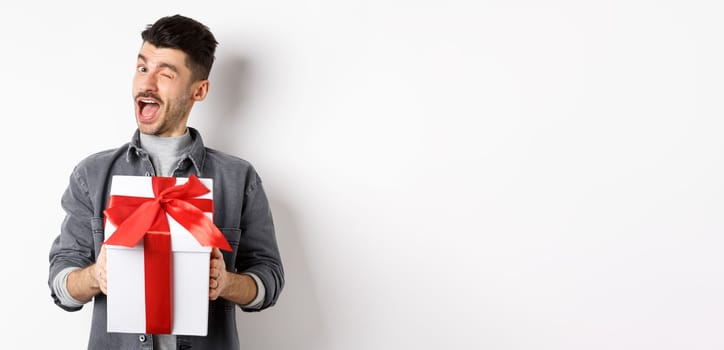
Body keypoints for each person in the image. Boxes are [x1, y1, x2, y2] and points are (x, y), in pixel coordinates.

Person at [48, 14, 284, 349]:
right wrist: (94, 277)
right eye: (143, 68)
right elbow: (61, 284)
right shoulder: (92, 175)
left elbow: (270, 281)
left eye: (166, 73)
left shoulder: (239, 177)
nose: (147, 84)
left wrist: (226, 283)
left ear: (199, 90)